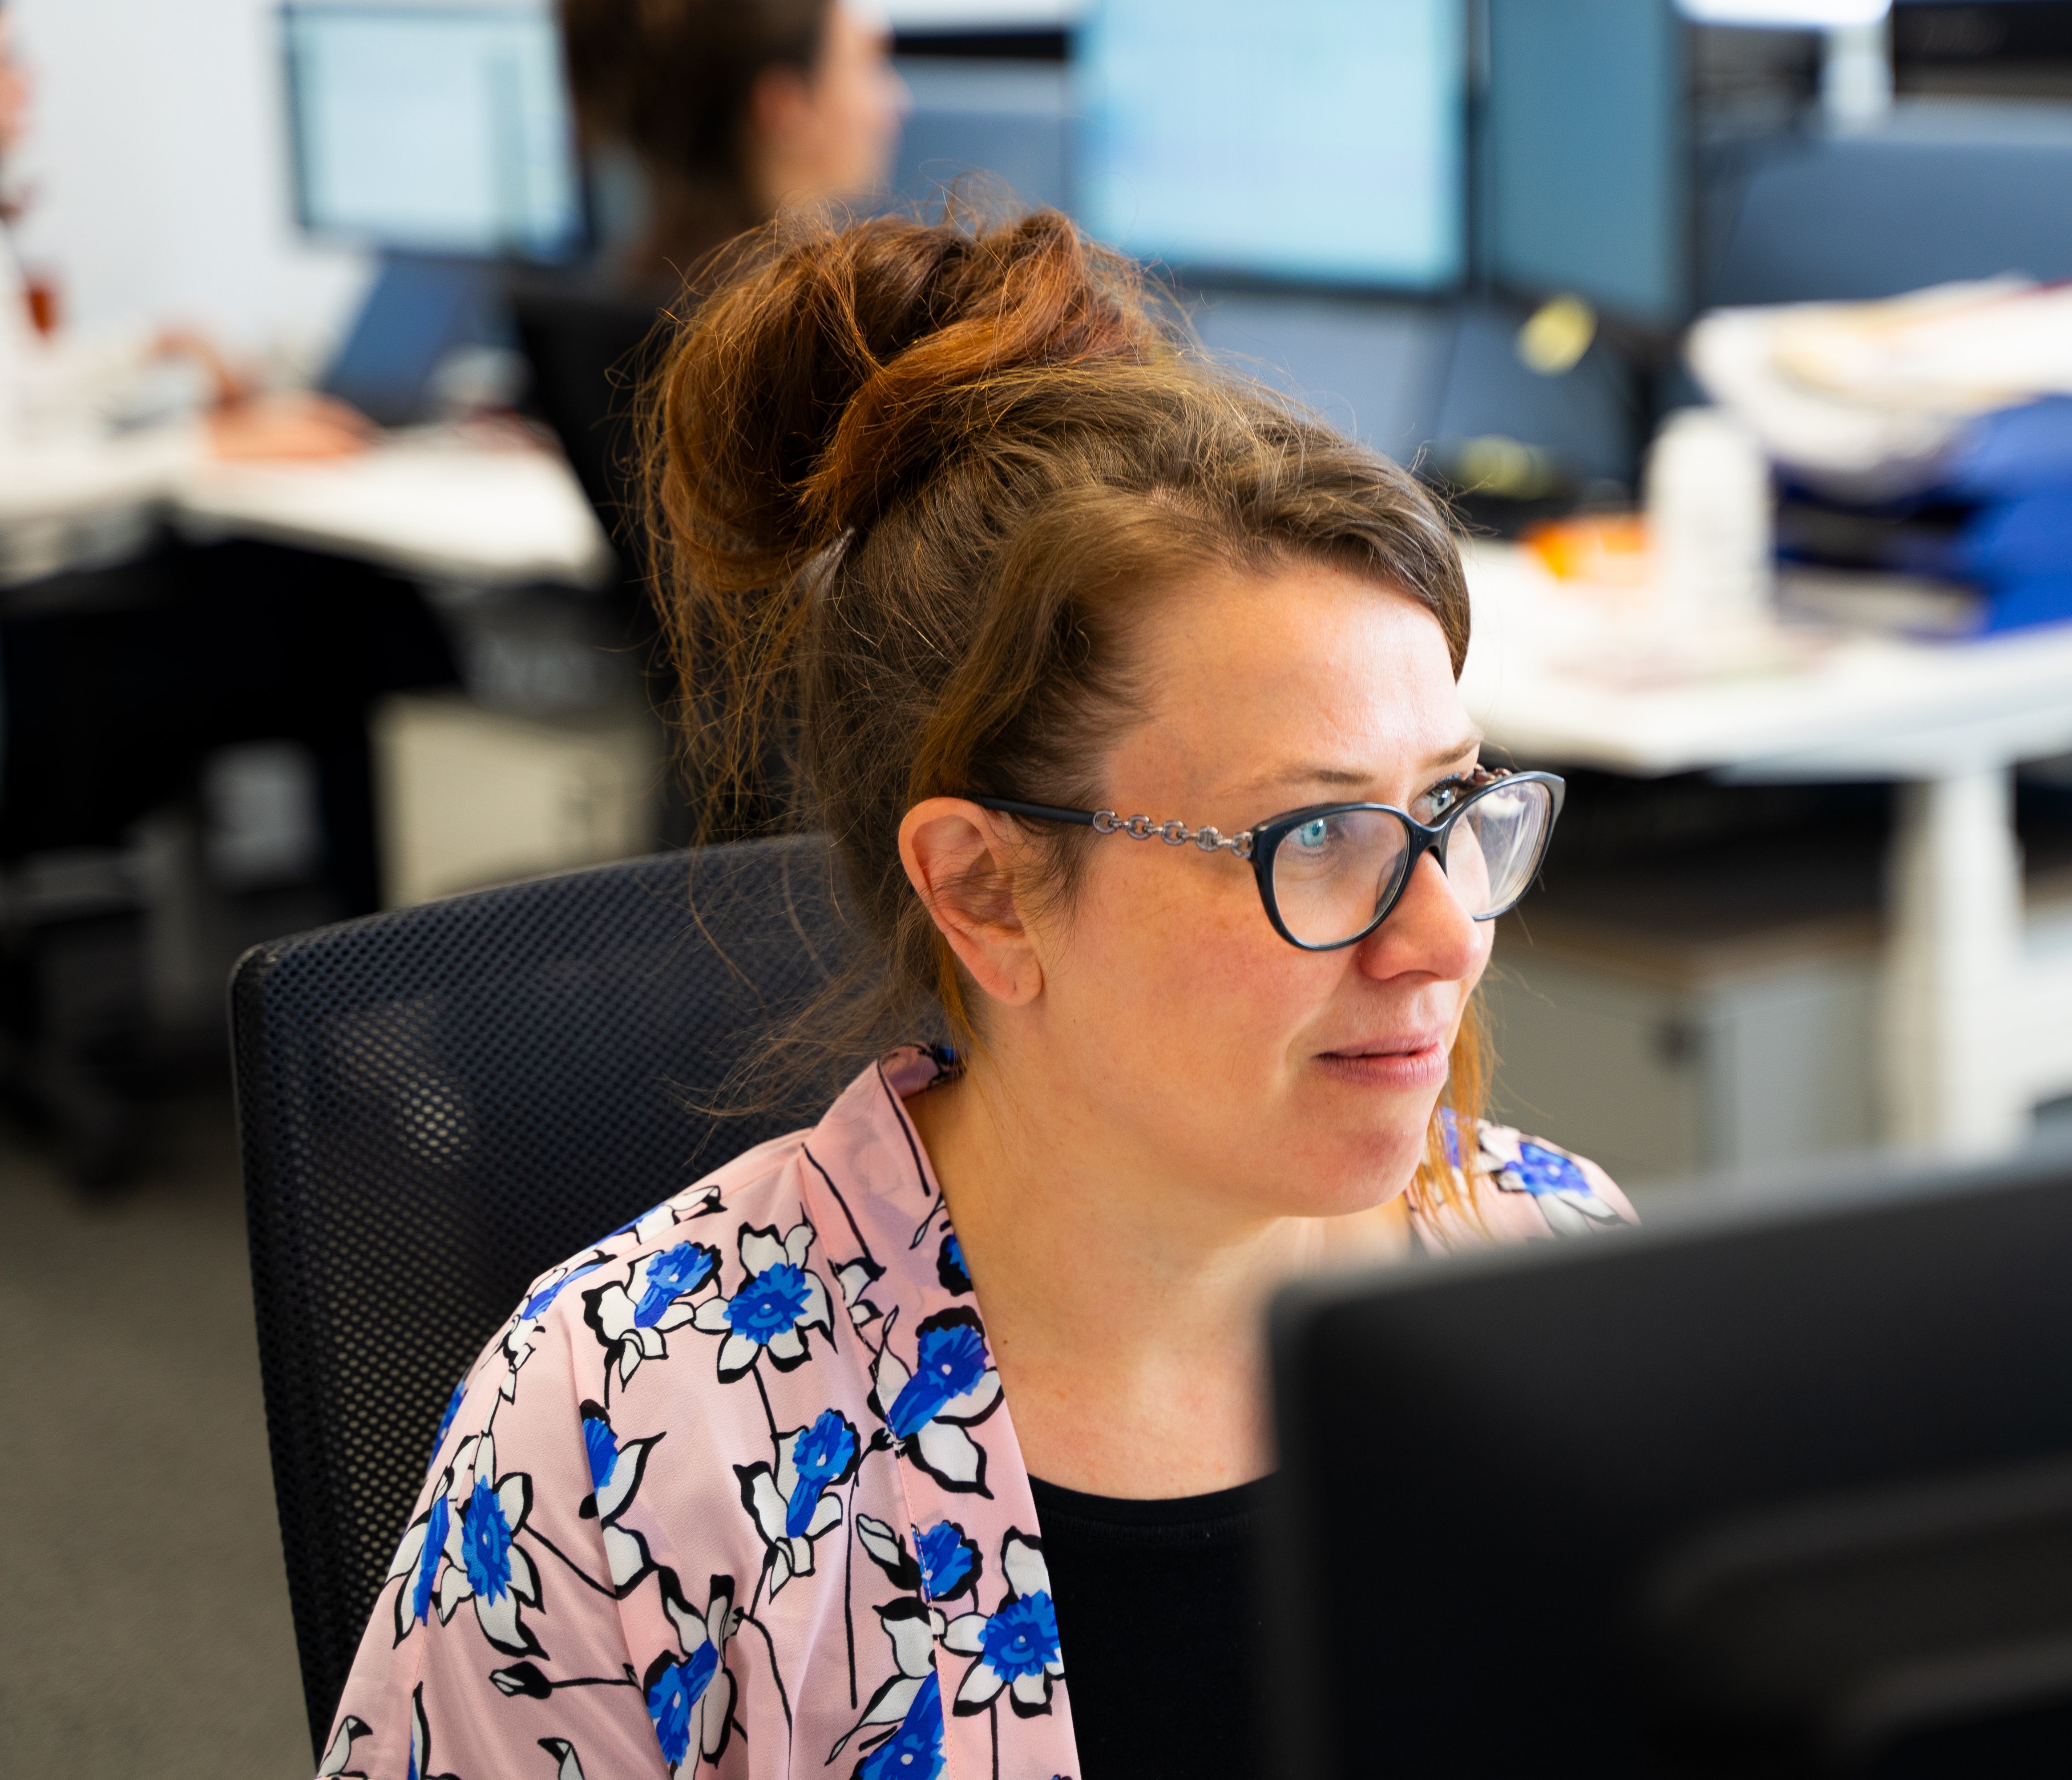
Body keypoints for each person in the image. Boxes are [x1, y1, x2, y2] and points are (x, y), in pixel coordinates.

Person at [316, 207, 1633, 1780]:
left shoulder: (1556, 1282)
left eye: (1451, 808)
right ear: (985, 892)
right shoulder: (631, 1436)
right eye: (1325, 837)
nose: (1442, 936)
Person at [0, 0, 457, 1177]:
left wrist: (147, 351)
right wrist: (212, 449)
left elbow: (2, 401)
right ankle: (384, 1017)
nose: (24, 91)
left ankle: (353, 1010)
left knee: (319, 599)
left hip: (28, 639)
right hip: (39, 674)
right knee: (357, 614)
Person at [561, 0, 906, 282]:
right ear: (786, 108)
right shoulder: (815, 337)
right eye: (869, 65)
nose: (899, 103)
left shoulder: (625, 287)